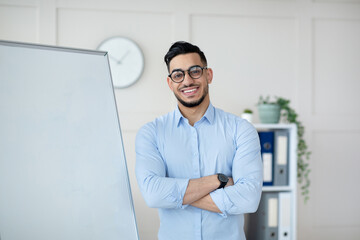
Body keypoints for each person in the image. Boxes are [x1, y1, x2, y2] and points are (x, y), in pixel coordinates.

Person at [135, 41, 263, 240]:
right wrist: (217, 181)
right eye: (178, 75)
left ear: (208, 75)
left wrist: (172, 193)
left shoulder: (241, 130)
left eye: (194, 71)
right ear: (170, 83)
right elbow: (153, 195)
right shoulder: (151, 133)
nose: (187, 81)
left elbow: (248, 199)